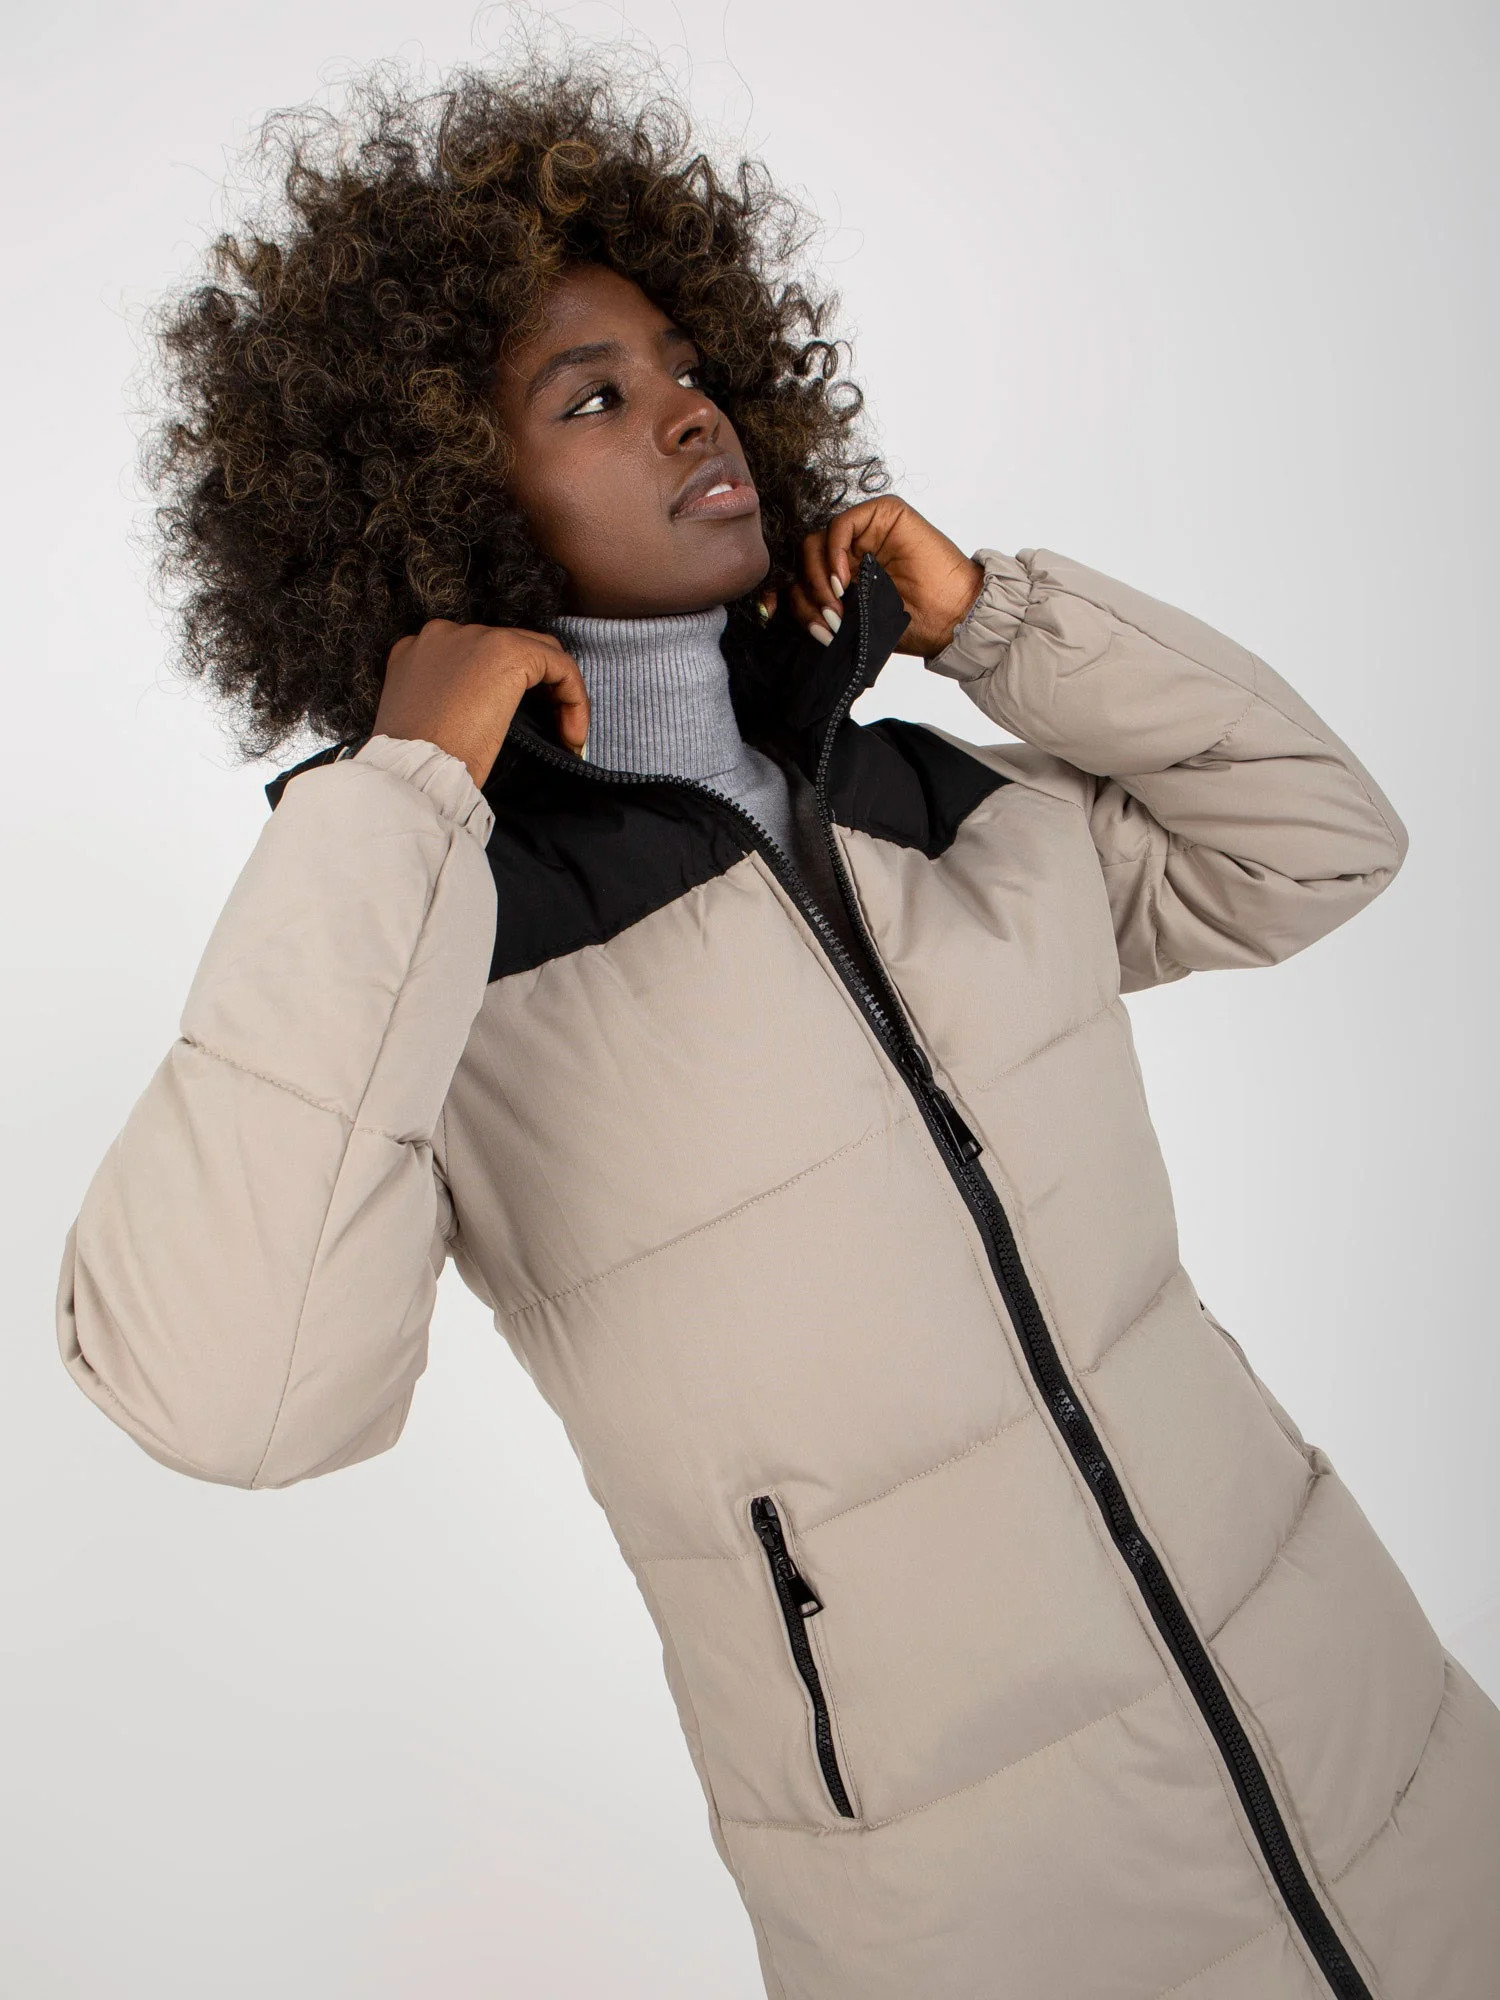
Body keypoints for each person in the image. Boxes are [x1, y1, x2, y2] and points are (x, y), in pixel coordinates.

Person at [55, 50, 1500, 2000]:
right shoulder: (451, 956)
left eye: (683, 365)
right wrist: (402, 791)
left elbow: (1317, 843)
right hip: (981, 1904)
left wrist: (993, 620)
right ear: (445, 500)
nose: (685, 410)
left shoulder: (932, 802)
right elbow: (236, 1396)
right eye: (592, 398)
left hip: (1373, 1738)